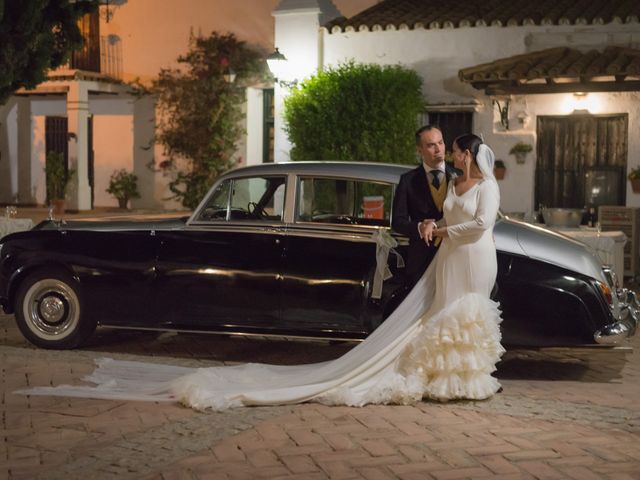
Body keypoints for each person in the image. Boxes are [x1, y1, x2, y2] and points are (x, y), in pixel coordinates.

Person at [17, 135, 504, 408]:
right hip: (448, 251)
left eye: (449, 148)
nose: (446, 153)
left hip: (449, 255)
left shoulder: (466, 184)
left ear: (456, 152)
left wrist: (437, 231)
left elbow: (471, 220)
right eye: (437, 146)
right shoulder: (434, 180)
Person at [392, 125, 458, 286]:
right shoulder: (408, 181)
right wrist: (420, 226)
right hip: (422, 260)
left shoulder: (460, 176)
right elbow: (398, 222)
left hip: (455, 257)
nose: (438, 149)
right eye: (431, 145)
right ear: (419, 149)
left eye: (440, 142)